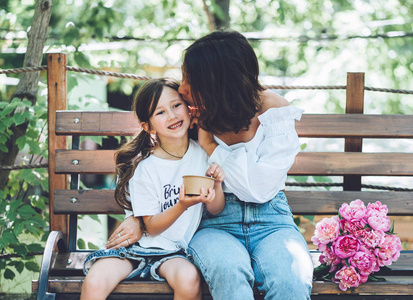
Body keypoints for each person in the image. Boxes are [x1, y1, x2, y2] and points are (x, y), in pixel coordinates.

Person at [107, 29, 313, 299]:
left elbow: (259, 190)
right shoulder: (193, 115)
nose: (182, 89)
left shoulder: (275, 113)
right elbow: (157, 163)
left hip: (271, 220)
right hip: (214, 223)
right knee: (229, 273)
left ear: (216, 83)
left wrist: (211, 147)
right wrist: (139, 219)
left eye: (190, 80)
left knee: (290, 280)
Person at [81, 78, 226, 300]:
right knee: (95, 279)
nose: (172, 115)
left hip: (174, 252)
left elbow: (216, 208)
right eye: (160, 112)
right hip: (133, 248)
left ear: (189, 109)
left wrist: (216, 185)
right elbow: (152, 227)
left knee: (188, 279)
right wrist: (182, 206)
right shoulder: (145, 167)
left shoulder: (204, 155)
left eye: (176, 106)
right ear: (147, 126)